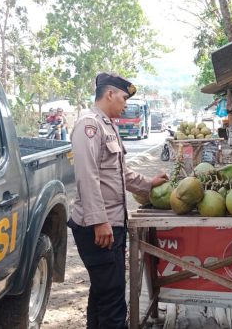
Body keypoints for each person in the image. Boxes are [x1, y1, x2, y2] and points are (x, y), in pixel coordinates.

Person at [68, 72, 168, 329]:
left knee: (102, 293)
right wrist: (99, 221)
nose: (125, 104)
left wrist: (148, 184)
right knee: (113, 299)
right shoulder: (89, 126)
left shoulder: (108, 125)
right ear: (109, 93)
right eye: (123, 98)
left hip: (113, 224)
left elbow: (121, 173)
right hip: (99, 227)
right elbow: (87, 177)